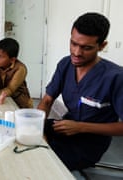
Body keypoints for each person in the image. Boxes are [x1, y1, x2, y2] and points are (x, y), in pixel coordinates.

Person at [37, 12, 123, 170]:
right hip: (65, 127)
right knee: (22, 135)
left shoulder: (116, 77)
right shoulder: (65, 65)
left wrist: (81, 127)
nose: (76, 53)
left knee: (41, 161)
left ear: (102, 46)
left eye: (86, 48)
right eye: (73, 43)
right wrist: (38, 129)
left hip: (88, 143)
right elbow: (47, 101)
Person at [0, 38, 33, 108]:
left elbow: (10, 89)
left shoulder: (20, 68)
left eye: (0, 57)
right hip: (3, 102)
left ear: (12, 59)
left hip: (21, 105)